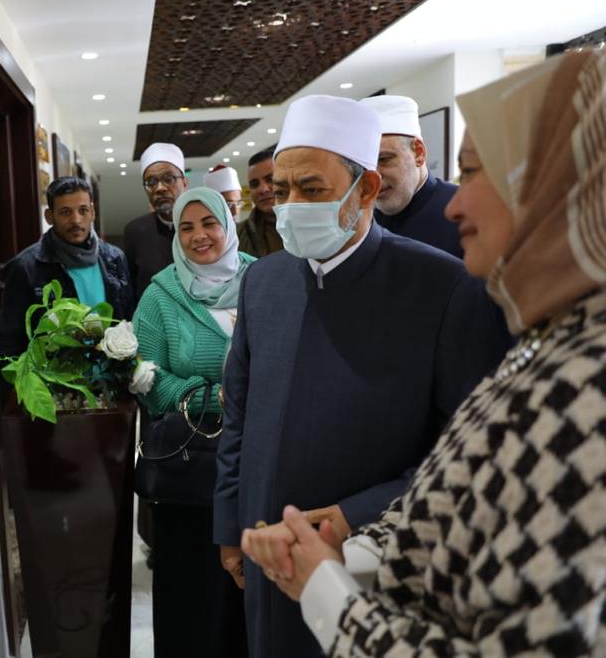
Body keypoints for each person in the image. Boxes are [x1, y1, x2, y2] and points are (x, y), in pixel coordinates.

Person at [244, 49, 606, 657]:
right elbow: (458, 500)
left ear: (558, 187)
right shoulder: (551, 345)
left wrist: (329, 593)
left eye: (478, 173)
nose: (455, 204)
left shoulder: (586, 386)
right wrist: (348, 550)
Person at [213, 95, 513, 657]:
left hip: (374, 562)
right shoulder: (264, 282)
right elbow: (240, 417)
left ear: (367, 189)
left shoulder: (444, 288)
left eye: (312, 190)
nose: (291, 206)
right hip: (264, 546)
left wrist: (356, 515)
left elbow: (471, 450)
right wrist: (231, 524)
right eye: (282, 190)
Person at [134, 186, 254, 658]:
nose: (198, 236)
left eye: (209, 223)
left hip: (258, 462)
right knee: (193, 595)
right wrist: (210, 397)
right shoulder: (161, 295)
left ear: (229, 224)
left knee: (253, 589)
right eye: (186, 227)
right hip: (191, 471)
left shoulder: (262, 278)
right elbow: (146, 378)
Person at [0, 176, 133, 356]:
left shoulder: (114, 258)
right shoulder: (25, 267)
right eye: (65, 212)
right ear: (49, 216)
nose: (76, 220)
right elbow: (9, 340)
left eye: (83, 210)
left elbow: (129, 320)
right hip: (52, 371)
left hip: (112, 368)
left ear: (92, 212)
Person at [361, 95, 463, 257]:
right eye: (365, 167)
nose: (374, 177)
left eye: (384, 159)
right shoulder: (360, 226)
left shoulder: (465, 211)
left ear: (418, 153)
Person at [124, 142, 187, 300]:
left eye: (168, 179)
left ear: (184, 182)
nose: (160, 188)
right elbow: (130, 288)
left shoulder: (202, 226)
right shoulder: (135, 231)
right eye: (151, 182)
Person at [236, 147, 283, 257]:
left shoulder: (312, 222)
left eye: (270, 179)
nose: (263, 189)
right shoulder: (239, 234)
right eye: (254, 184)